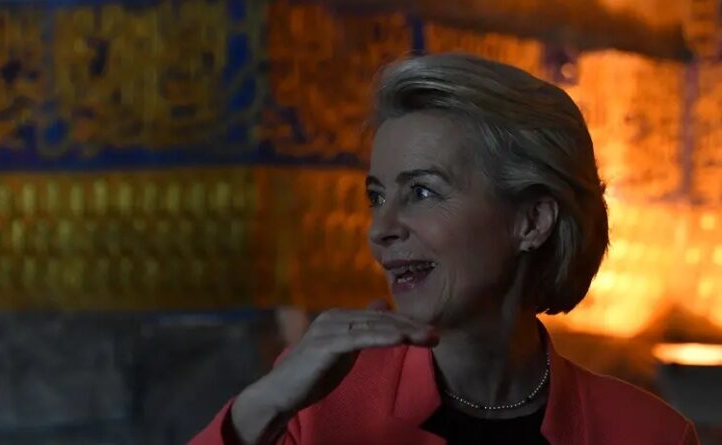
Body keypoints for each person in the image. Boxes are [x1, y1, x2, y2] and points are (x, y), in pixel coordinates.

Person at [190, 53, 698, 445]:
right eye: (377, 197)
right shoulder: (315, 404)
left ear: (532, 221)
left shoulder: (648, 433)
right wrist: (259, 408)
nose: (380, 229)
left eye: (422, 191)